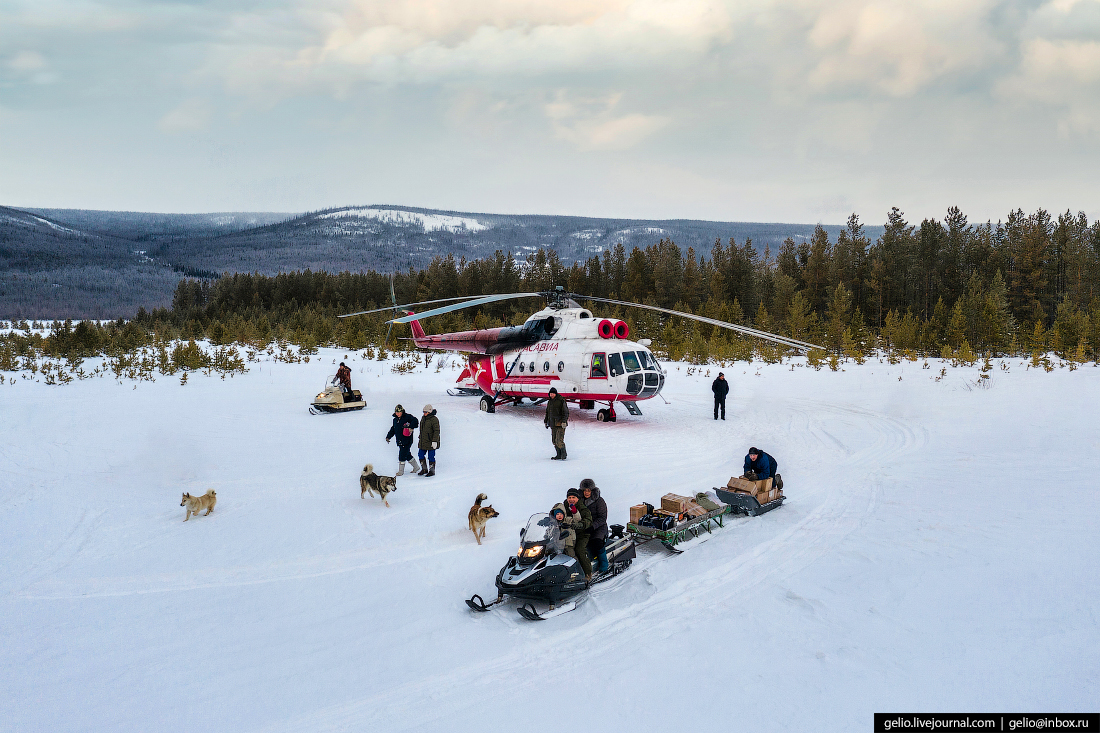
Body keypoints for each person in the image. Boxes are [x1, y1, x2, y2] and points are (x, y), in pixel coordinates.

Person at [563, 488, 593, 581]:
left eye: (573, 497)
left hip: (582, 534)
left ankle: (587, 573)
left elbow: (588, 520)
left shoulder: (583, 508)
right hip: (568, 534)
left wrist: (581, 524)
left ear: (578, 498)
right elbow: (557, 512)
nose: (571, 499)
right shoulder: (564, 506)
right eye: (569, 497)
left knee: (579, 550)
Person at [580, 478, 609, 573]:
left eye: (589, 490)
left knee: (597, 542)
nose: (586, 493)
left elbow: (602, 518)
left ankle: (604, 563)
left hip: (598, 526)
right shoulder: (579, 501)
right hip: (584, 526)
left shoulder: (599, 501)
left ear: (592, 490)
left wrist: (592, 526)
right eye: (585, 490)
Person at [385, 405, 420, 476]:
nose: (398, 414)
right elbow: (393, 429)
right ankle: (416, 467)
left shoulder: (407, 417)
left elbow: (415, 421)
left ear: (402, 411)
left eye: (399, 412)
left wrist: (410, 426)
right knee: (407, 455)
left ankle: (401, 471)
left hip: (407, 440)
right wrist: (388, 436)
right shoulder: (395, 420)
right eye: (396, 412)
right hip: (400, 440)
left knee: (402, 455)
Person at [544, 387, 569, 460]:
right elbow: (548, 412)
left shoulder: (561, 400)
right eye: (550, 394)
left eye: (553, 394)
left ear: (555, 394)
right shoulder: (550, 402)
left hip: (560, 423)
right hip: (553, 424)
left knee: (559, 440)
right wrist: (546, 421)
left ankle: (564, 454)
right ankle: (558, 454)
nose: (551, 395)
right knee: (554, 441)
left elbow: (565, 412)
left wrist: (564, 421)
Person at [417, 404, 440, 477]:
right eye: (423, 412)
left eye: (425, 412)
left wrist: (434, 441)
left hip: (431, 442)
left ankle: (432, 471)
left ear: (429, 412)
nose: (424, 413)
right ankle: (424, 469)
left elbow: (436, 431)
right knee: (420, 454)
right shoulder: (423, 418)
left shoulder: (434, 419)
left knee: (431, 456)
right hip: (423, 441)